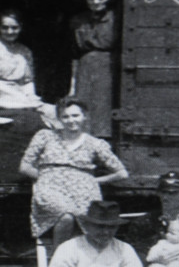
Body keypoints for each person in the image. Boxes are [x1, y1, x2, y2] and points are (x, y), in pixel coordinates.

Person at [19, 97, 128, 248]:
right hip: (51, 189)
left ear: (84, 116)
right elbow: (25, 166)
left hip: (84, 191)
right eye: (65, 116)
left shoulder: (95, 144)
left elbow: (121, 173)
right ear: (59, 119)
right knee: (66, 216)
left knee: (85, 220)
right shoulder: (45, 136)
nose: (71, 120)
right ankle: (60, 260)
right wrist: (46, 177)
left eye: (75, 115)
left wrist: (94, 181)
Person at [0, 9, 54, 117]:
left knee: (52, 111)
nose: (10, 32)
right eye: (5, 27)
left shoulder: (24, 51)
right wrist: (21, 98)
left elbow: (27, 81)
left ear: (21, 27)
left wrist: (31, 96)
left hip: (21, 96)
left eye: (14, 28)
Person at [68, 0, 116, 138]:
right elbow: (74, 53)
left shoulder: (116, 19)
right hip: (86, 69)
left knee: (104, 110)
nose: (96, 2)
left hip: (107, 68)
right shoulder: (78, 20)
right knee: (84, 109)